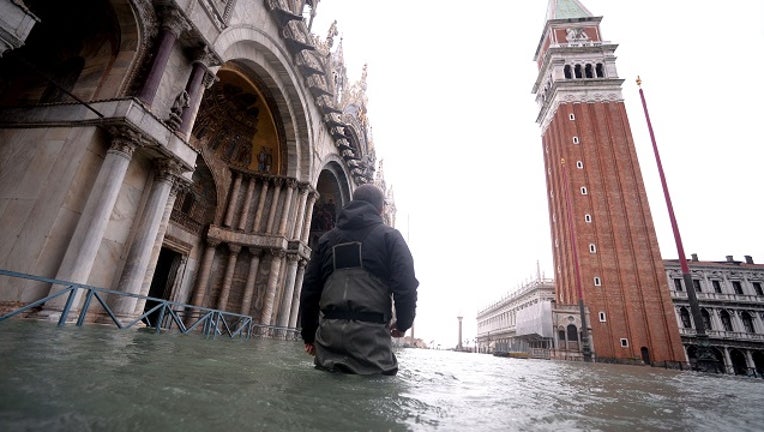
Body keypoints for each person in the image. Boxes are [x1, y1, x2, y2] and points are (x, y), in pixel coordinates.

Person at [299, 184, 418, 375]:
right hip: (372, 347)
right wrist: (403, 324)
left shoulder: (326, 240)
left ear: (352, 202)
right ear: (381, 209)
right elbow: (406, 286)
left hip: (328, 343)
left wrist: (308, 335)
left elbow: (309, 291)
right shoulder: (391, 238)